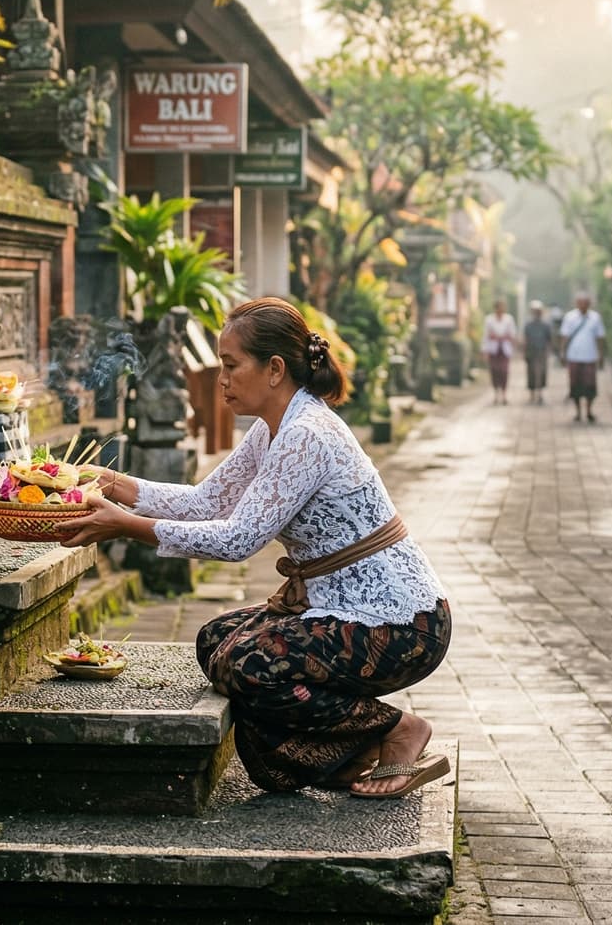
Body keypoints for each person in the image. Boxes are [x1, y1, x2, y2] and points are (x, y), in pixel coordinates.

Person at [65, 298, 452, 799]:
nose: (220, 379)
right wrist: (117, 485)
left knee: (251, 665)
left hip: (401, 624)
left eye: (230, 366)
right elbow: (207, 500)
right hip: (338, 609)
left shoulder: (306, 433)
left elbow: (237, 539)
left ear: (274, 369)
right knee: (214, 641)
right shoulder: (274, 428)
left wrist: (128, 528)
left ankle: (394, 729)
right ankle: (345, 754)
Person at [560, 292, 605, 423]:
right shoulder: (570, 317)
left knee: (590, 386)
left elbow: (600, 337)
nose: (583, 305)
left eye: (585, 303)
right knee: (575, 385)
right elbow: (564, 336)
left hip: (590, 356)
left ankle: (589, 411)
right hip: (574, 356)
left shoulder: (595, 318)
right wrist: (563, 353)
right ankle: (578, 412)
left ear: (589, 304)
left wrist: (601, 355)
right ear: (577, 304)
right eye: (580, 303)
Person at [481, 299, 518, 405]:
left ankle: (504, 394)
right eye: (499, 308)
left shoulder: (509, 319)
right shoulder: (489, 319)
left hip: (504, 350)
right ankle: (496, 394)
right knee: (494, 371)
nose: (501, 310)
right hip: (493, 350)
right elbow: (486, 336)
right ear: (496, 308)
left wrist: (507, 340)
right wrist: (484, 351)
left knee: (504, 372)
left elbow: (512, 334)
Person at [522, 302, 553, 405]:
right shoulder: (528, 325)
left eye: (538, 311)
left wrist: (547, 353)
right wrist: (524, 351)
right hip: (531, 352)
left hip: (541, 352)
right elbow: (525, 339)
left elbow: (549, 340)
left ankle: (540, 394)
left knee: (541, 373)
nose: (537, 313)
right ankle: (532, 395)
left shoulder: (546, 325)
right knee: (531, 373)